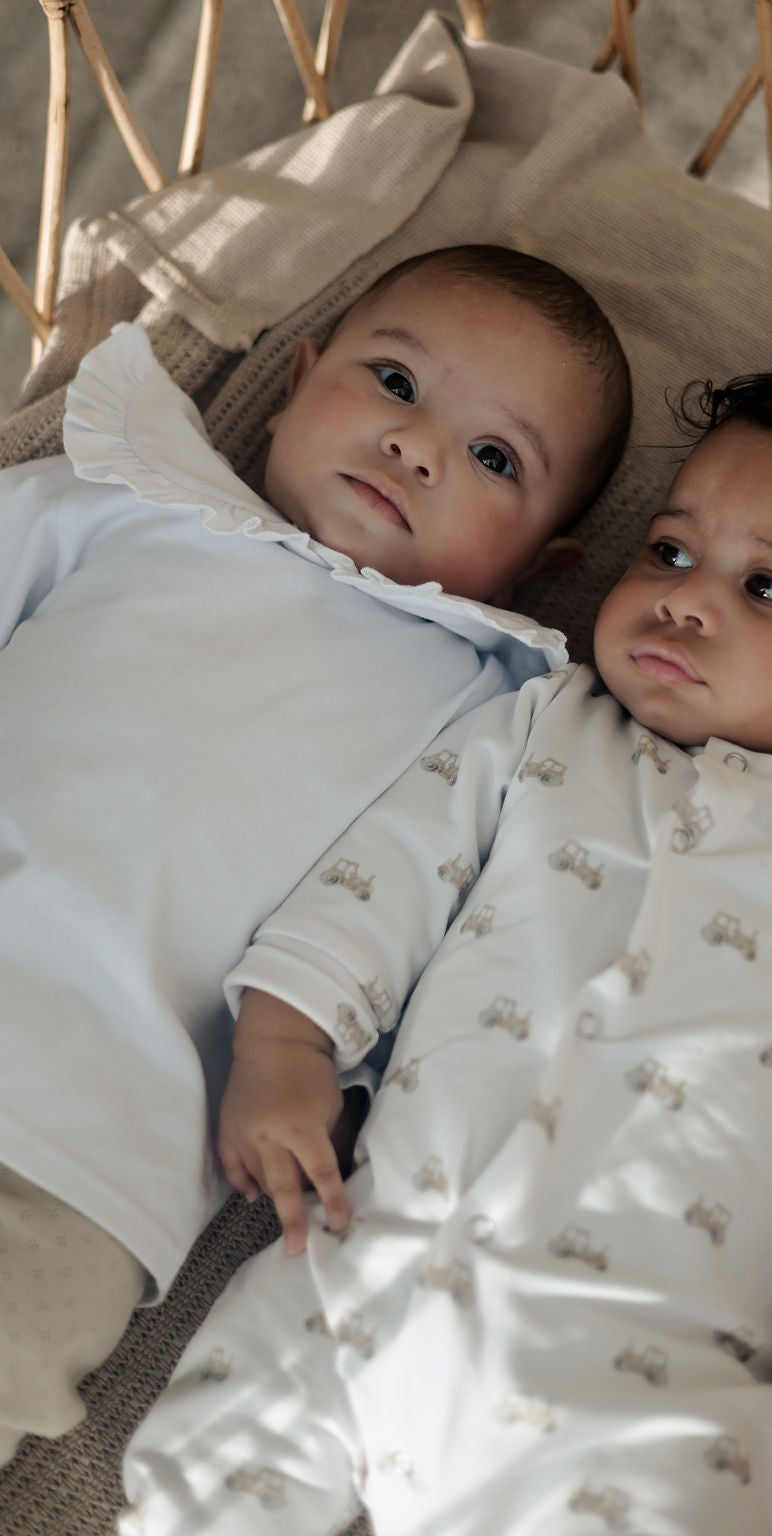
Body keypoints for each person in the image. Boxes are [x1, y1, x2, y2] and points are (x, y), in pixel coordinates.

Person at [120, 346, 772, 1536]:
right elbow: (384, 873)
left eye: (769, 589)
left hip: (658, 1386)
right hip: (361, 1273)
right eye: (671, 549)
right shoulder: (545, 728)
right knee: (196, 1487)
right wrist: (287, 1044)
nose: (685, 594)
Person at [0, 243, 633, 1465]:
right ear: (294, 382)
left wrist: (335, 1077)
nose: (420, 445)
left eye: (495, 458)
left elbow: (441, 931)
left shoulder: (487, 711)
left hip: (94, 1144)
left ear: (543, 563)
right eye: (394, 381)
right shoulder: (123, 503)